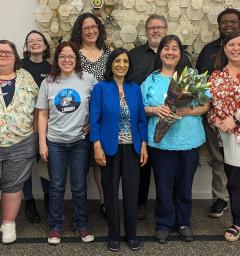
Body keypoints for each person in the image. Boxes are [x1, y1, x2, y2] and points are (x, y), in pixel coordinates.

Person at [141, 35, 210, 244]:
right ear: (160, 52)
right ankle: (164, 223)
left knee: (184, 184)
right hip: (160, 142)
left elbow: (205, 105)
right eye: (166, 48)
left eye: (174, 48)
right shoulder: (150, 80)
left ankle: (183, 222)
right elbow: (140, 109)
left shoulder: (192, 76)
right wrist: (155, 110)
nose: (170, 52)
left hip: (188, 140)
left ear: (181, 53)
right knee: (163, 184)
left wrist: (181, 111)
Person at [129, 14, 191, 220]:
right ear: (146, 31)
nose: (155, 30)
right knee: (143, 165)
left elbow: (195, 98)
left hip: (177, 127)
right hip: (143, 119)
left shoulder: (185, 63)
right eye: (151, 27)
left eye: (160, 27)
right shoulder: (134, 55)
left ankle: (179, 218)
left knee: (176, 177)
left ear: (166, 30)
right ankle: (141, 204)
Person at [36, 41, 96, 245]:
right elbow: (42, 114)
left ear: (77, 59)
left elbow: (99, 105)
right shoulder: (49, 82)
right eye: (63, 56)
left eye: (71, 56)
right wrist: (42, 143)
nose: (67, 60)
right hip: (55, 143)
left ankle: (81, 224)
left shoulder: (88, 79)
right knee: (57, 186)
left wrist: (92, 123)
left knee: (79, 187)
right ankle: (55, 226)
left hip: (80, 142)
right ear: (57, 60)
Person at [90, 48, 148, 252]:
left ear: (129, 65)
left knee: (132, 193)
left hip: (132, 148)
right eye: (117, 61)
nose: (121, 64)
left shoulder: (135, 88)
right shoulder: (101, 88)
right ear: (111, 64)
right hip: (108, 149)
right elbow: (94, 119)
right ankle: (113, 234)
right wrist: (96, 145)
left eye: (125, 61)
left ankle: (131, 234)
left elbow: (141, 120)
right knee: (111, 193)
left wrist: (143, 145)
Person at [0, 40, 39, 243]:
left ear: (16, 57)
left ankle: (8, 223)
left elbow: (38, 107)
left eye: (9, 52)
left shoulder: (25, 77)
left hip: (21, 142)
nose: (4, 54)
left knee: (13, 185)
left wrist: (34, 132)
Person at [196, 8, 240, 218]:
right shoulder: (208, 50)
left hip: (237, 119)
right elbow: (200, 83)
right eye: (224, 22)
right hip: (215, 121)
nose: (229, 25)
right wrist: (216, 118)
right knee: (218, 160)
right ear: (219, 25)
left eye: (233, 21)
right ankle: (221, 198)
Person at [70, 12, 111, 217]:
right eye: (86, 27)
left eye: (94, 26)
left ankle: (105, 201)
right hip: (78, 117)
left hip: (103, 117)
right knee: (81, 163)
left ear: (99, 28)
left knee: (99, 161)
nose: (91, 30)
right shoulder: (73, 54)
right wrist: (84, 118)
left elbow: (113, 84)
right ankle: (80, 204)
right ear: (80, 30)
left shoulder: (108, 53)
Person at [207, 31, 240, 242]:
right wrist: (215, 121)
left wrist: (236, 119)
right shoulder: (216, 75)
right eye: (232, 44)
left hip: (236, 128)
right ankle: (237, 222)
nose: (236, 48)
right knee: (234, 182)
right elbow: (209, 106)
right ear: (225, 48)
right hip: (227, 139)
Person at [21, 30, 51, 223]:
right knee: (25, 165)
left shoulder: (52, 67)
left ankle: (49, 199)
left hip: (47, 124)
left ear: (45, 45)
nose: (34, 43)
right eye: (30, 41)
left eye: (38, 40)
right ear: (26, 46)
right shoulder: (20, 67)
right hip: (24, 125)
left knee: (45, 161)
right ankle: (29, 201)